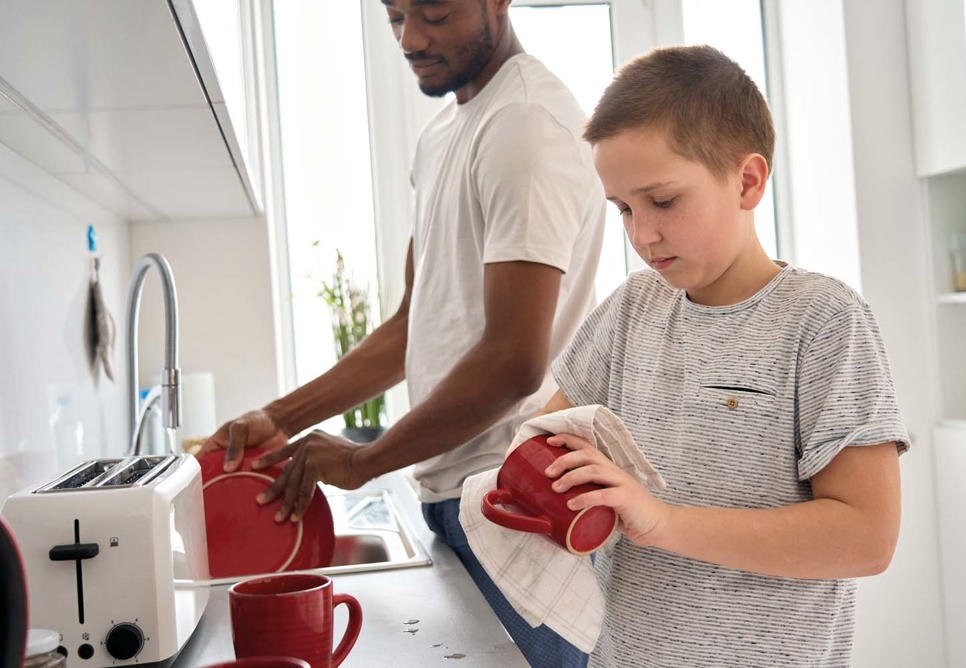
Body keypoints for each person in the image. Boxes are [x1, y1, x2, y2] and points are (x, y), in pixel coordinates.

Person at [199, 1, 603, 665]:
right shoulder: (445, 134)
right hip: (457, 498)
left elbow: (513, 362)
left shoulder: (527, 126)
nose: (411, 38)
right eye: (395, 16)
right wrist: (281, 416)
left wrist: (365, 459)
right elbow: (414, 324)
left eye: (435, 13)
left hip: (514, 507)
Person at [535, 45, 909, 666]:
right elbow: (548, 440)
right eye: (623, 209)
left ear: (747, 180)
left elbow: (868, 538)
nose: (641, 235)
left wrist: (662, 520)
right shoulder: (630, 310)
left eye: (663, 201)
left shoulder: (823, 321)